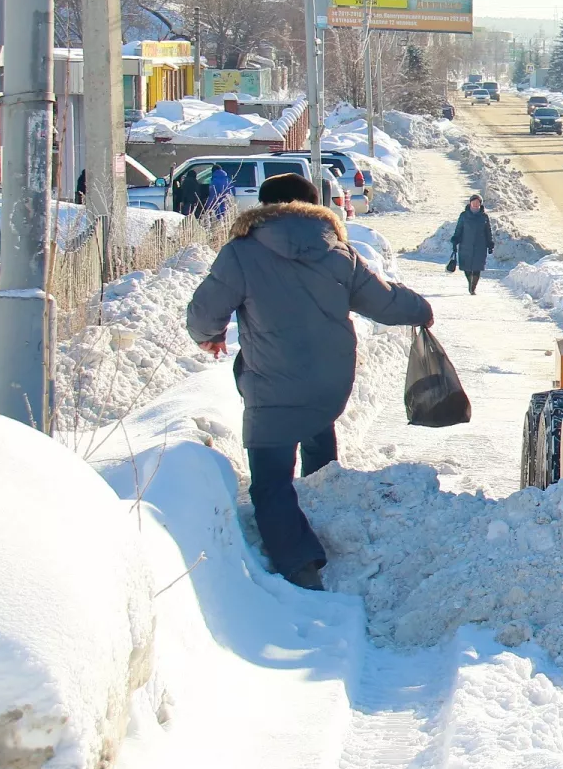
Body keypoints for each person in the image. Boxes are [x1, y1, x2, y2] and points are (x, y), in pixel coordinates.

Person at [185, 172, 433, 589]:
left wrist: (208, 335)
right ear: (314, 208)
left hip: (272, 385)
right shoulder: (339, 254)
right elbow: (385, 302)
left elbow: (204, 314)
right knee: (319, 436)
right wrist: (421, 310)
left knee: (270, 483)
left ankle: (301, 563)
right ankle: (331, 516)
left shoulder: (240, 254)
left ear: (262, 210)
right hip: (329, 382)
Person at [450, 194, 494, 294]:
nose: (475, 204)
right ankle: (470, 283)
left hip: (480, 246)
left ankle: (472, 288)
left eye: (477, 202)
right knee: (467, 267)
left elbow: (488, 231)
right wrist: (455, 240)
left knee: (477, 268)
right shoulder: (464, 215)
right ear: (470, 203)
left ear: (480, 204)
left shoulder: (484, 217)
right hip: (466, 245)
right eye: (473, 202)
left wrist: (490, 244)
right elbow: (459, 229)